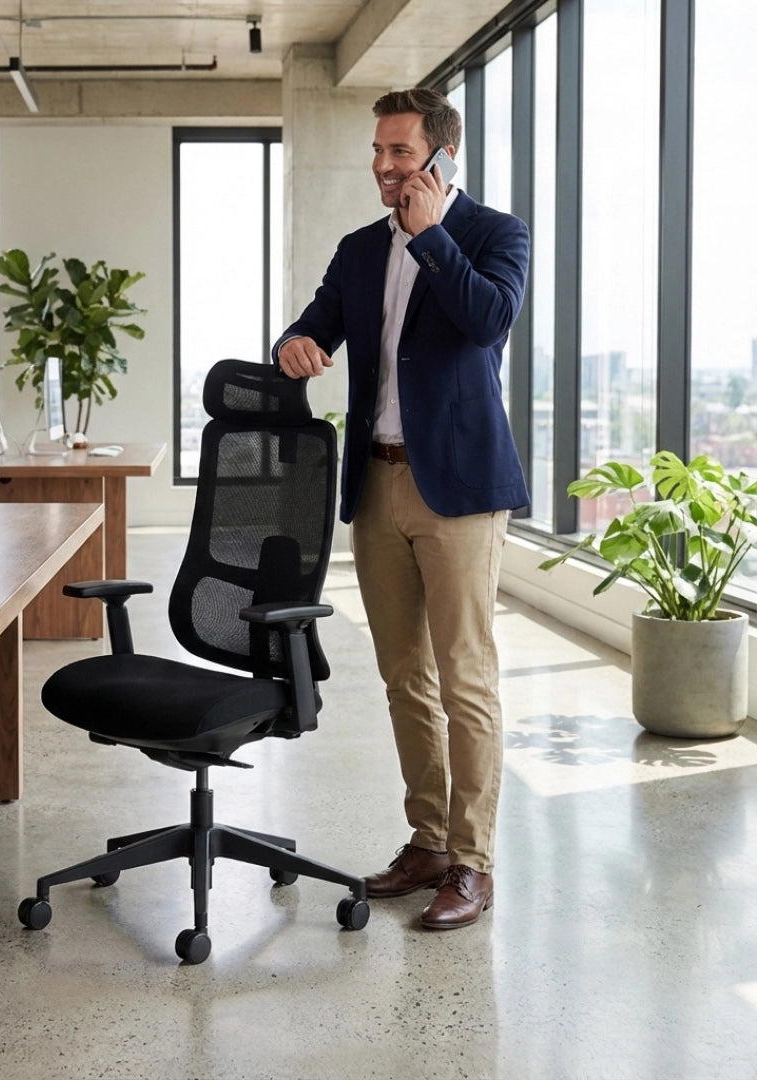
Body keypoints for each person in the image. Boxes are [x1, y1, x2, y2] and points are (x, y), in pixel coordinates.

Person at [273, 88, 530, 930]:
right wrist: (294, 345)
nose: (384, 168)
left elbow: (489, 321)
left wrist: (433, 240)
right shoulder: (356, 251)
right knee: (404, 678)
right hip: (376, 485)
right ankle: (427, 840)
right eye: (378, 153)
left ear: (441, 158)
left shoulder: (494, 235)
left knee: (465, 677)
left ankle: (473, 860)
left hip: (457, 489)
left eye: (400, 154)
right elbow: (313, 327)